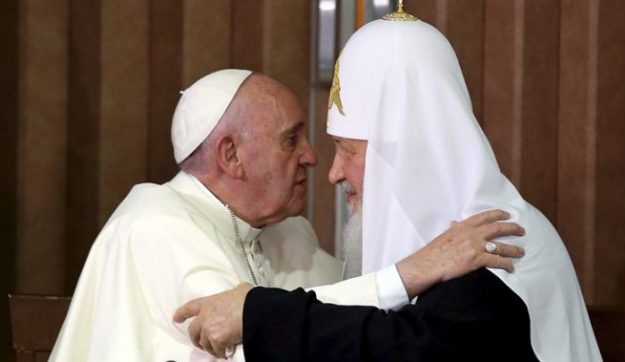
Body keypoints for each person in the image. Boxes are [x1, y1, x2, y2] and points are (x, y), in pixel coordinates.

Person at [174, 6, 602, 362]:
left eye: (350, 150)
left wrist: (256, 314)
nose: (334, 172)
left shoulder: (496, 243)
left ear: (403, 154)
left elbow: (401, 347)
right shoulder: (453, 243)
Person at [50, 68, 524, 361]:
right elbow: (246, 339)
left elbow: (338, 324)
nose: (313, 158)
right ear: (231, 155)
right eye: (290, 139)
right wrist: (417, 269)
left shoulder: (285, 230)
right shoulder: (156, 227)